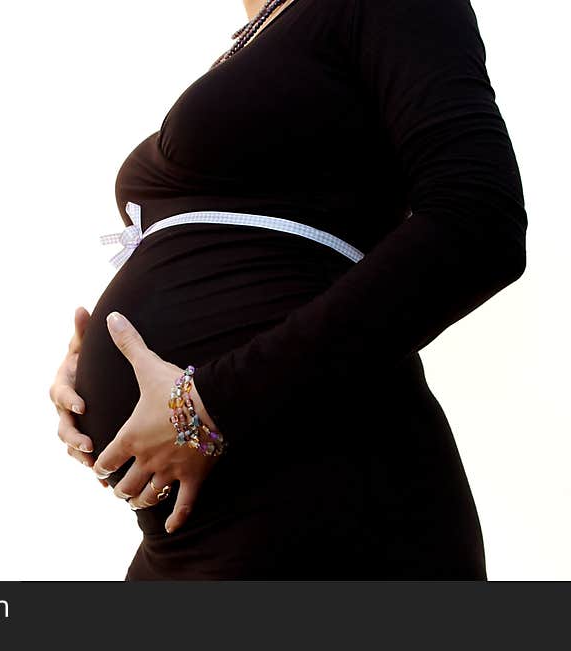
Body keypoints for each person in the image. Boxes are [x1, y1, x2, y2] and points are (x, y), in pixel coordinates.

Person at [48, 0, 527, 579]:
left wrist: (207, 406)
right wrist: (93, 368)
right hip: (203, 529)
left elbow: (479, 221)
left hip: (322, 492)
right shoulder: (265, 37)